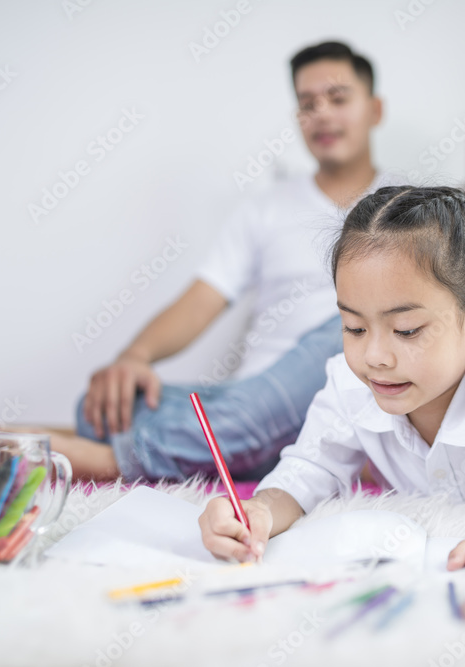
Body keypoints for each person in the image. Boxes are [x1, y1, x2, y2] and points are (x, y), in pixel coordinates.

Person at [199, 186, 465, 576]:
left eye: (407, 330)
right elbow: (310, 470)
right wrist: (258, 511)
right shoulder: (350, 383)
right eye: (354, 327)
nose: (374, 356)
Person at [52, 41, 394, 481]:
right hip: (252, 400)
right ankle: (236, 444)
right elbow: (202, 300)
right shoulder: (266, 208)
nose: (322, 114)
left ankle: (123, 460)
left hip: (350, 388)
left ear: (375, 110)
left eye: (338, 98)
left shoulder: (408, 209)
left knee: (351, 324)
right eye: (308, 104)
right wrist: (134, 357)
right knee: (100, 408)